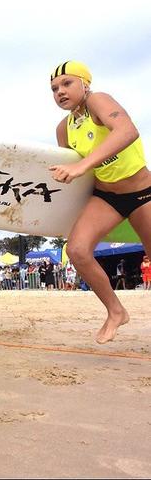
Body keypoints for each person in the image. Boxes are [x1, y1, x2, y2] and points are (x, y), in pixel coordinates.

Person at [49, 60, 150, 343]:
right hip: (106, 196)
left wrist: (82, 167)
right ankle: (116, 311)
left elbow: (127, 131)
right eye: (54, 88)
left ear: (85, 83)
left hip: (143, 193)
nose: (60, 92)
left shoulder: (99, 100)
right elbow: (71, 171)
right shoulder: (63, 129)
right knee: (78, 250)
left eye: (67, 84)